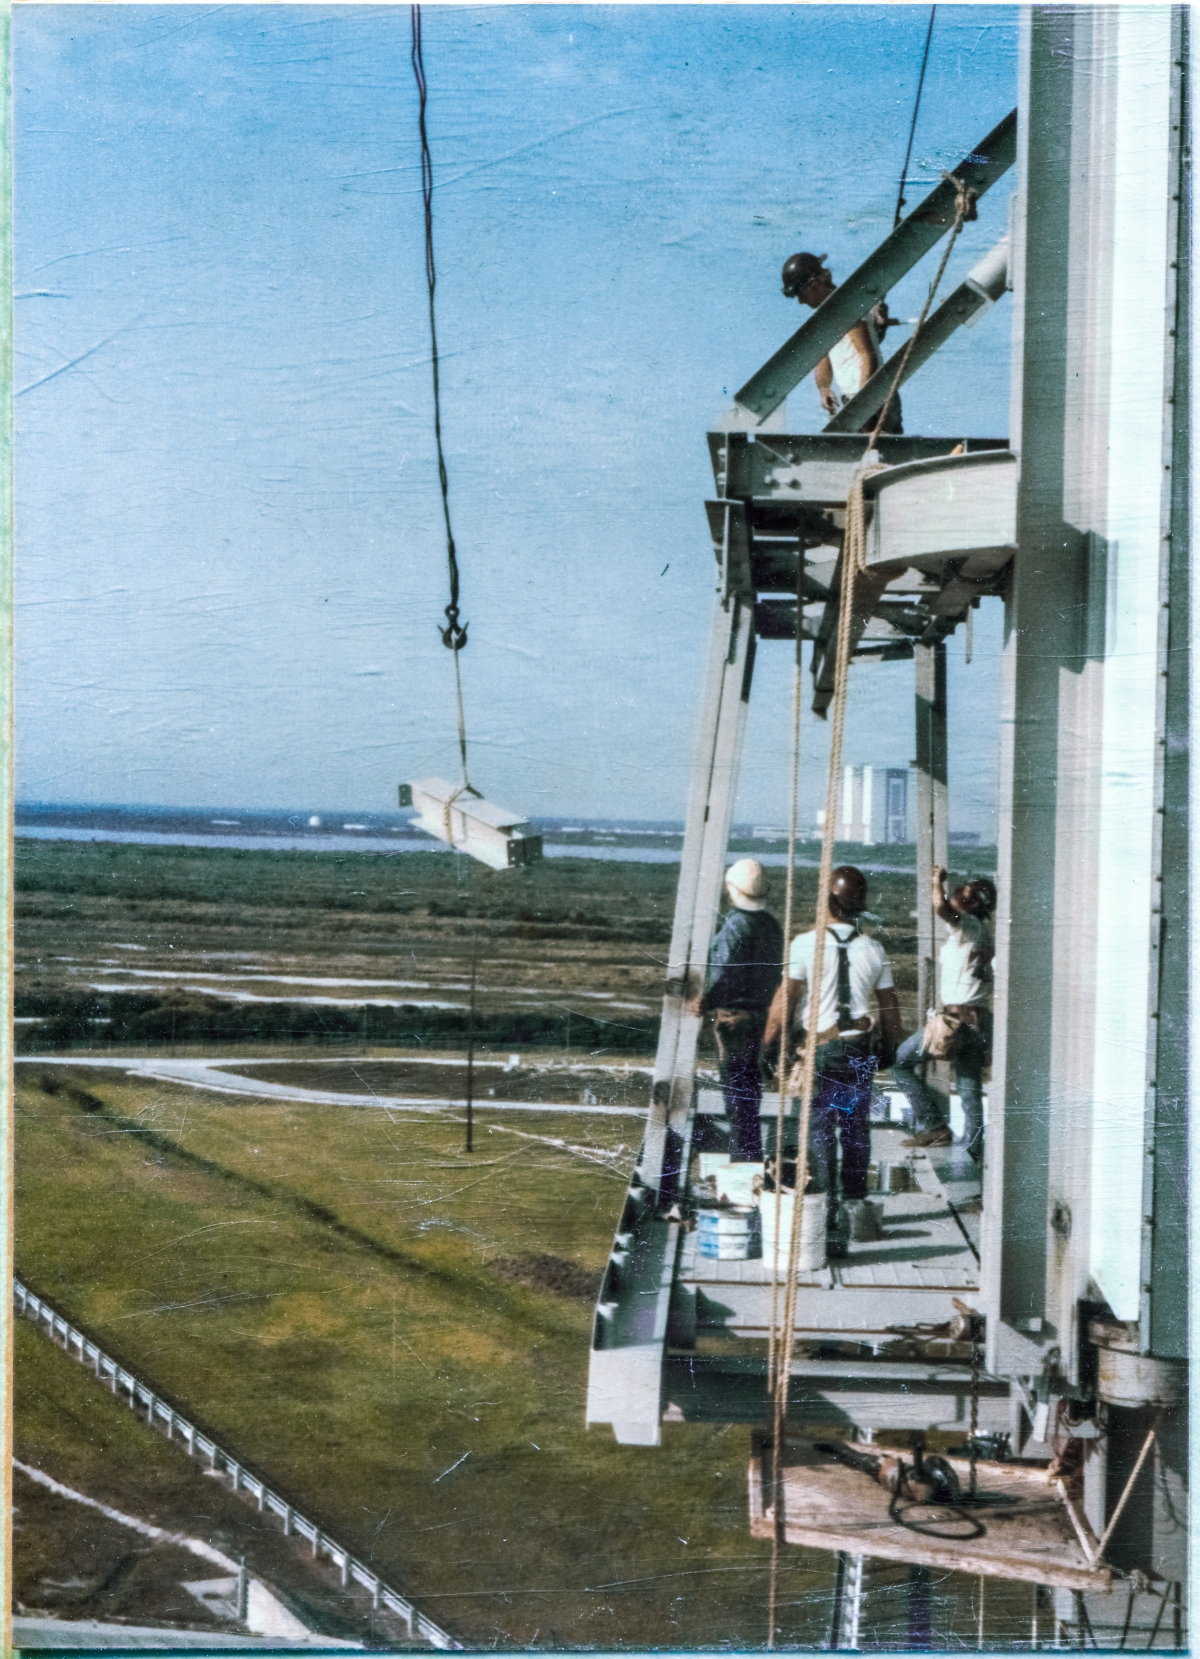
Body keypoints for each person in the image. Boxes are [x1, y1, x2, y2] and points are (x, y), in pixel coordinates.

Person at [763, 866, 903, 1255]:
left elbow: (785, 1000)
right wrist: (891, 1047)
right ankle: (855, 1205)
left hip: (822, 1053)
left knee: (820, 1130)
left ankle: (827, 1215)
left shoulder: (805, 945)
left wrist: (769, 1044)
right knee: (856, 1128)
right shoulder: (874, 949)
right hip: (858, 1052)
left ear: (827, 902)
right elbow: (889, 1006)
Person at [892, 868, 996, 1163]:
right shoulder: (982, 934)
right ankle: (973, 1150)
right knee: (969, 1086)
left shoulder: (966, 927)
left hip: (954, 1021)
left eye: (965, 895)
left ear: (974, 905)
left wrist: (936, 882)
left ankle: (933, 1126)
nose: (958, 896)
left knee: (901, 1062)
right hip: (978, 1021)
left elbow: (941, 907)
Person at [697, 859, 784, 1163]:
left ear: (732, 889)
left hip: (735, 1020)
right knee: (750, 1091)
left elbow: (722, 972)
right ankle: (750, 1156)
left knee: (736, 1095)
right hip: (762, 1017)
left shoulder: (735, 924)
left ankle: (745, 1160)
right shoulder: (771, 925)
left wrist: (704, 1000)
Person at [781, 251, 903, 433]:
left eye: (801, 294)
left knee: (879, 454)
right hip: (855, 397)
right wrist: (824, 389)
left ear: (814, 284)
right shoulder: (826, 315)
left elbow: (867, 355)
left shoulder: (847, 308)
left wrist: (863, 403)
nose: (800, 301)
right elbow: (823, 356)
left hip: (873, 396)